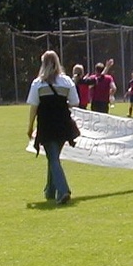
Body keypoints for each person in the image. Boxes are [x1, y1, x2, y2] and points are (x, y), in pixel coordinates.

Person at [26, 50, 80, 205]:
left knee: (53, 158)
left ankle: (63, 191)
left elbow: (34, 106)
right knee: (53, 157)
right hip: (63, 124)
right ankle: (50, 191)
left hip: (46, 125)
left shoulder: (38, 83)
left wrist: (30, 127)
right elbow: (75, 102)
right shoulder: (67, 81)